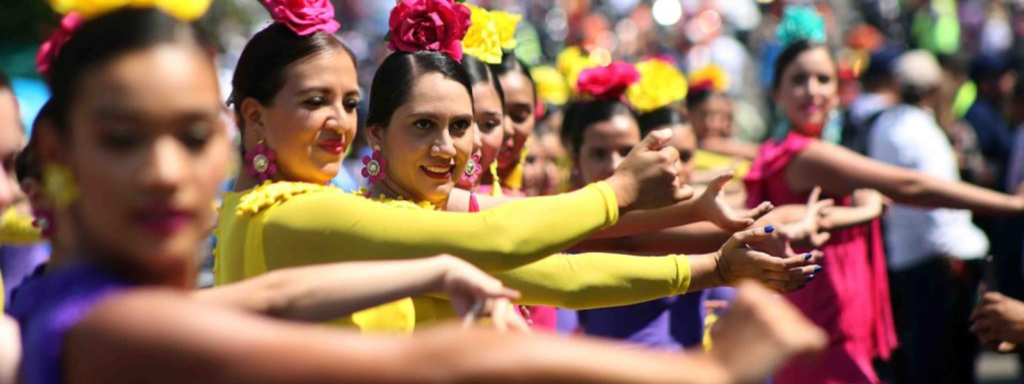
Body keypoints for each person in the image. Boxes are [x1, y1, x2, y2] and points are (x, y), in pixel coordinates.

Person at [13, 5, 832, 384]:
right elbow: (445, 343)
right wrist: (708, 373)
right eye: (123, 138)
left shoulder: (363, 216)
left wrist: (711, 259)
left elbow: (541, 266)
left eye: (191, 136)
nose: (165, 172)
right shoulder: (283, 212)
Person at [746, 8, 1024, 383]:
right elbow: (908, 185)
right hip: (822, 328)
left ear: (839, 91)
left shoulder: (789, 148)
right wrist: (1009, 204)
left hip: (825, 318)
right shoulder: (806, 154)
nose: (812, 90)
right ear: (776, 93)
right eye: (798, 80)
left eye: (823, 79)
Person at [869, 50, 989, 384]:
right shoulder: (920, 131)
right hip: (935, 265)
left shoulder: (886, 125)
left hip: (911, 259)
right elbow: (938, 203)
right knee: (944, 364)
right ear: (933, 90)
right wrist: (954, 256)